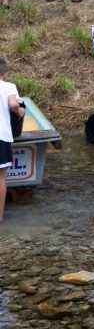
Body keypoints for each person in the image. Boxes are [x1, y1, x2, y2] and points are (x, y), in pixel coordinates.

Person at [0, 57, 25, 222]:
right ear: (6, 73)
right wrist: (19, 111)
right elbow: (13, 104)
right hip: (2, 135)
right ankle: (0, 216)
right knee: (1, 176)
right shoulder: (9, 86)